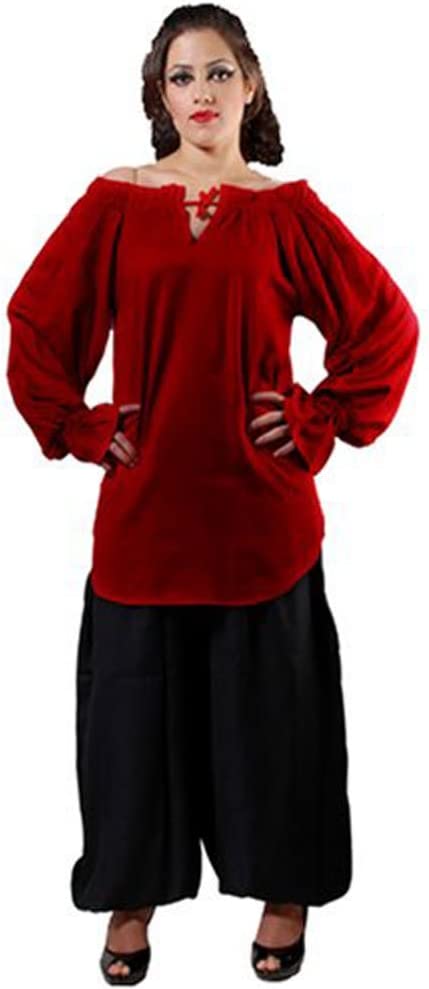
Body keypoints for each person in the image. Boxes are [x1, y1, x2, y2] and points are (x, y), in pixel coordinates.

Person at [5, 4, 419, 985]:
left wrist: (315, 418)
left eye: (219, 73)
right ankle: (130, 895)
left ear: (251, 86)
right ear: (159, 94)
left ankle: (285, 889)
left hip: (259, 520)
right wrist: (80, 425)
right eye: (182, 76)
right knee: (130, 724)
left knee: (275, 712)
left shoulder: (286, 210)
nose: (201, 93)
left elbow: (385, 325)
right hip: (145, 514)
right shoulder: (114, 201)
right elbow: (37, 325)